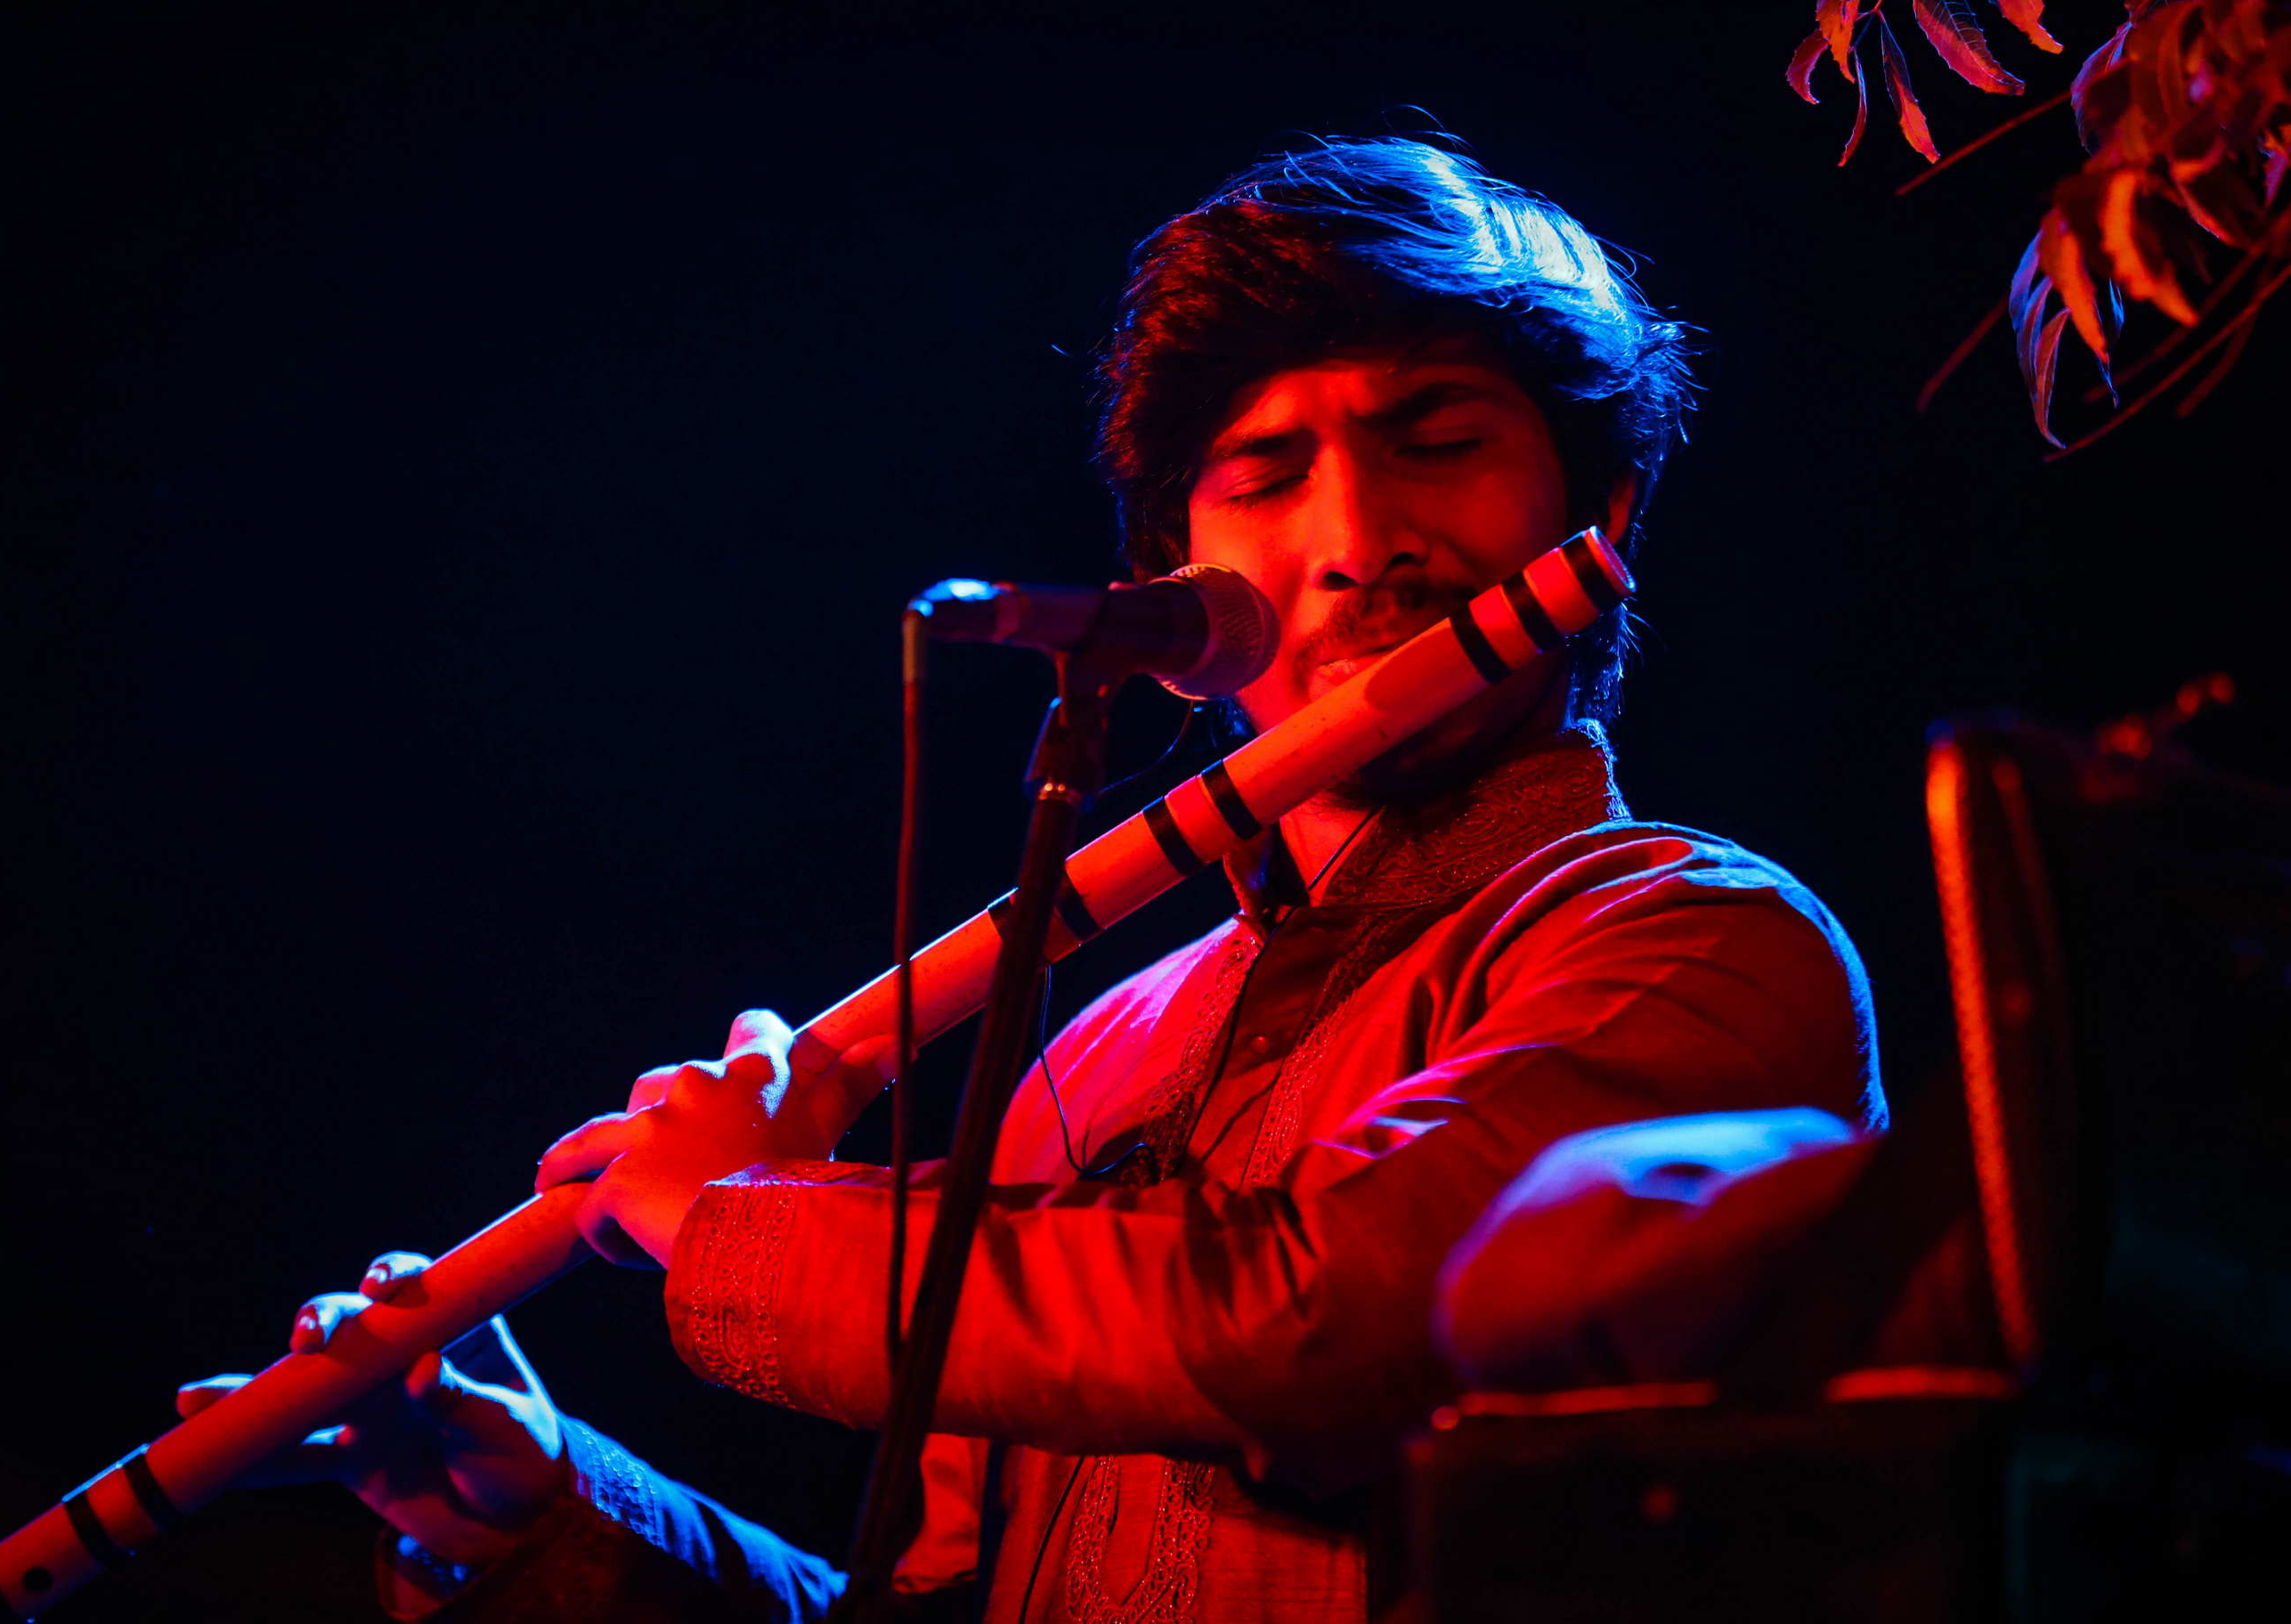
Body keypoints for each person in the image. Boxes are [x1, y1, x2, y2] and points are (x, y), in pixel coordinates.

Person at [181, 134, 1884, 1622]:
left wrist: (736, 1221)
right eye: (1265, 475)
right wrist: (545, 1516)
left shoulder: (1694, 946)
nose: (1357, 538)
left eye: (1437, 440)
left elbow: (1324, 1324)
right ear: (1177, 586)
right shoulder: (1090, 1055)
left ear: (1603, 514)